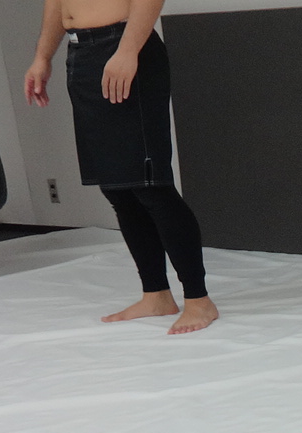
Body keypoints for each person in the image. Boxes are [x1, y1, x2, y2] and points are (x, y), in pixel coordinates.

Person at [23, 0, 217, 334]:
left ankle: (199, 300)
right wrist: (43, 57)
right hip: (81, 54)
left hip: (124, 44)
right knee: (118, 189)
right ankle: (155, 294)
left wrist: (128, 50)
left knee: (150, 185)